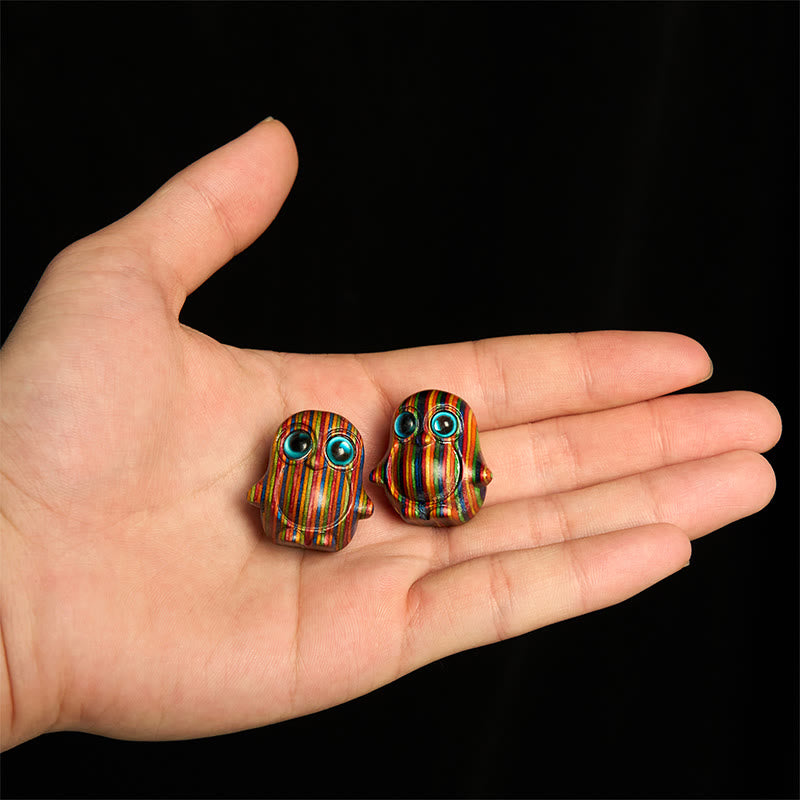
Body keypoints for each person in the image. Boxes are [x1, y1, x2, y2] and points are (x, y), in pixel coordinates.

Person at [0, 118, 781, 751]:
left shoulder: (419, 463)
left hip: (398, 506)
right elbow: (313, 487)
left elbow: (451, 477)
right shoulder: (328, 475)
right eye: (325, 449)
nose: (325, 453)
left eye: (436, 426)